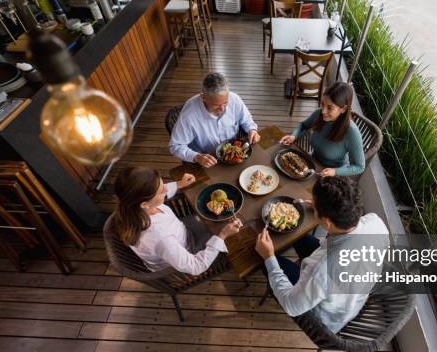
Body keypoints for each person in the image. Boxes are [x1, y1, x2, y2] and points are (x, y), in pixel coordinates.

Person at [255, 176, 389, 333]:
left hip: (326, 316)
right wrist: (321, 209)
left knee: (265, 261)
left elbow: (291, 305)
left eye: (316, 206)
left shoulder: (321, 270)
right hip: (349, 288)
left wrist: (269, 257)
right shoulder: (376, 223)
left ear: (327, 223)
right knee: (297, 236)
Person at [114, 166, 242, 275]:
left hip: (180, 231)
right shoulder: (160, 238)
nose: (165, 189)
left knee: (217, 221)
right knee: (232, 234)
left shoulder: (133, 208)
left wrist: (179, 184)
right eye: (160, 191)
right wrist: (223, 235)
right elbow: (196, 266)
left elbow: (159, 193)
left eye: (162, 184)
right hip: (187, 251)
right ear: (144, 204)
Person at [169, 72, 261, 168]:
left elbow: (246, 120)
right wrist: (196, 157)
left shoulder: (234, 99)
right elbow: (175, 146)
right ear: (203, 97)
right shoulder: (189, 116)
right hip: (207, 161)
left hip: (235, 154)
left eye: (225, 103)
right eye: (216, 105)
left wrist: (252, 130)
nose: (223, 109)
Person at [279, 82, 366, 177]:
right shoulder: (319, 114)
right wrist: (294, 136)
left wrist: (335, 172)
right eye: (322, 104)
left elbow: (359, 166)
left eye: (330, 108)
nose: (323, 111)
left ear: (343, 109)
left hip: (333, 177)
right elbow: (303, 125)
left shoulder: (352, 132)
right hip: (312, 166)